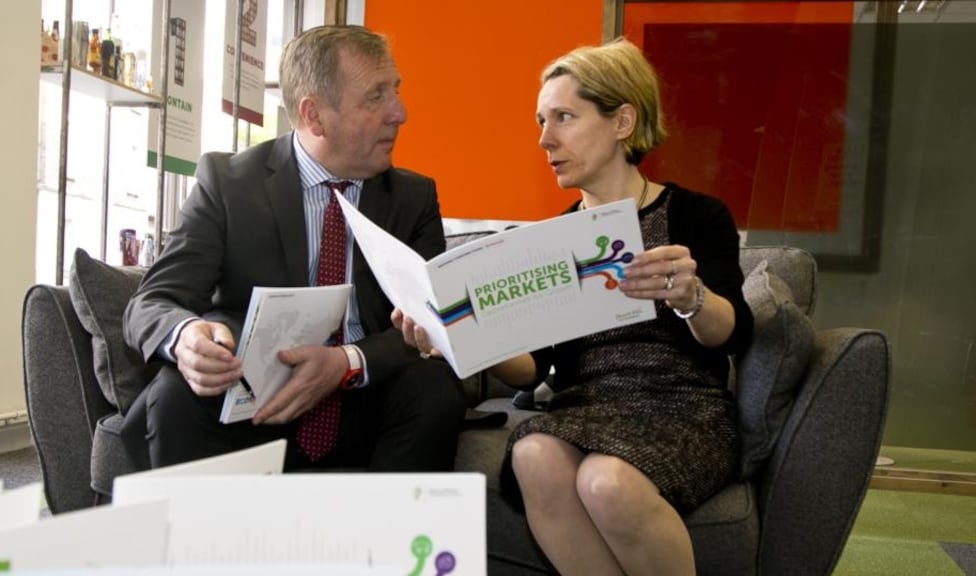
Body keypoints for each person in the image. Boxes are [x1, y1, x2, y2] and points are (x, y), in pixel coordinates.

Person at [394, 38, 753, 575]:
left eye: (563, 117)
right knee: (533, 455)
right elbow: (532, 369)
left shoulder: (696, 216)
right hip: (587, 406)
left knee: (606, 481)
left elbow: (735, 333)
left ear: (622, 121)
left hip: (681, 406)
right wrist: (457, 338)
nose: (545, 139)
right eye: (541, 121)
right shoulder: (551, 241)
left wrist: (691, 296)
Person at [121, 25, 466, 473]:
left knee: (434, 389)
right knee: (176, 394)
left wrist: (346, 362)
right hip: (256, 399)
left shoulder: (413, 198)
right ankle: (195, 522)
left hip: (367, 400)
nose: (399, 113)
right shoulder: (228, 184)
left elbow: (434, 325)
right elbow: (153, 301)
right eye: (375, 97)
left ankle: (395, 521)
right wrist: (186, 336)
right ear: (314, 115)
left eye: (395, 90)